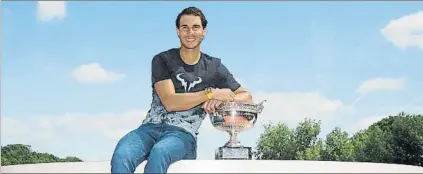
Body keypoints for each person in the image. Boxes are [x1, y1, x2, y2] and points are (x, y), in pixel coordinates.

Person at [110, 6, 253, 174]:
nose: (190, 32)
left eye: (195, 27)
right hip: (149, 128)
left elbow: (247, 96)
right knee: (122, 155)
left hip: (182, 134)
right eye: (184, 27)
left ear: (204, 31)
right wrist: (210, 93)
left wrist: (223, 99)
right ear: (178, 31)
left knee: (160, 152)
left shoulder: (214, 67)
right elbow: (170, 102)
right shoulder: (163, 60)